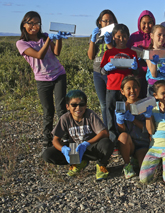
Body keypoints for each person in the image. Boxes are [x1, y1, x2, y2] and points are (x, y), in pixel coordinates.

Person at [16, 11, 71, 153]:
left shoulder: (45, 37)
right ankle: (47, 140)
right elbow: (39, 55)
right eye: (31, 23)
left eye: (37, 23)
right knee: (48, 110)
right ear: (24, 24)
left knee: (61, 108)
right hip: (42, 79)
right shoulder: (21, 43)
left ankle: (65, 137)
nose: (34, 26)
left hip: (59, 74)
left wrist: (58, 39)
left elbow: (57, 52)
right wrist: (48, 40)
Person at [42, 90, 114, 181]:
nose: (78, 108)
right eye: (74, 105)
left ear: (86, 105)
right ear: (67, 106)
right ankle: (78, 163)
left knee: (107, 143)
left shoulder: (90, 115)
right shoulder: (65, 118)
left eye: (81, 104)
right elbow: (55, 139)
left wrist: (86, 143)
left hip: (90, 147)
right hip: (74, 149)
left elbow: (104, 132)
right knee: (47, 154)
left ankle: (101, 165)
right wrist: (63, 149)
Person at [100, 24, 138, 144]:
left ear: (128, 37)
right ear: (113, 37)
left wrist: (135, 68)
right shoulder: (108, 53)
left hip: (127, 90)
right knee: (111, 113)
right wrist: (106, 69)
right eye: (118, 37)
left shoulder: (132, 53)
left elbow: (135, 71)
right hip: (112, 88)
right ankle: (113, 140)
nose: (121, 40)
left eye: (124, 37)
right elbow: (102, 70)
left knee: (124, 113)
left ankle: (126, 138)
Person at [126, 10, 165, 98]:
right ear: (139, 23)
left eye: (150, 23)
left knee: (152, 101)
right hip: (138, 75)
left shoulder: (157, 36)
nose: (147, 26)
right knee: (138, 101)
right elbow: (126, 52)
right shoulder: (134, 37)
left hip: (154, 76)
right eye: (144, 23)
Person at [116, 75, 150, 179]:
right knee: (123, 137)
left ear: (139, 89)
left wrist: (133, 120)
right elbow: (123, 131)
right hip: (131, 144)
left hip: (143, 144)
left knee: (145, 172)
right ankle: (127, 164)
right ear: (122, 91)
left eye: (135, 87)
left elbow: (149, 129)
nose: (132, 91)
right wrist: (120, 121)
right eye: (128, 88)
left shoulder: (145, 104)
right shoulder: (121, 107)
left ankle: (137, 160)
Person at [88, 9, 117, 126]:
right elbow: (91, 56)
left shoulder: (116, 35)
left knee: (112, 102)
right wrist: (92, 41)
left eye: (110, 21)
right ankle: (107, 128)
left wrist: (110, 42)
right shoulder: (95, 36)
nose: (108, 23)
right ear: (100, 22)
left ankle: (114, 127)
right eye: (105, 21)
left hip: (111, 72)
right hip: (97, 72)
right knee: (103, 104)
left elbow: (116, 53)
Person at [145, 25, 165, 96]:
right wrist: (154, 63)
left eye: (164, 35)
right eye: (159, 35)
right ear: (152, 36)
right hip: (154, 85)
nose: (162, 37)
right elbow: (154, 74)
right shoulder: (148, 53)